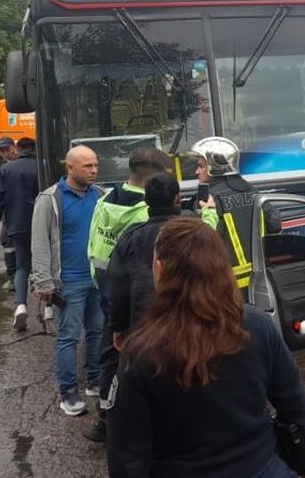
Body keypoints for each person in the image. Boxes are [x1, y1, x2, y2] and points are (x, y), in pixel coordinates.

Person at [106, 218, 305, 478]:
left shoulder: (141, 351)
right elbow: (295, 406)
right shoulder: (257, 325)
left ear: (160, 271)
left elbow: (126, 455)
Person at [86, 172, 213, 443]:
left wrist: (117, 328)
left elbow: (116, 285)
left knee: (121, 367)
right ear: (178, 198)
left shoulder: (131, 237)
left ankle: (108, 420)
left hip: (142, 324)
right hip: (189, 321)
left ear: (146, 201)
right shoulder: (193, 231)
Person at [31, 145, 105, 416]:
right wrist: (44, 282)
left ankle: (95, 379)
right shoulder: (50, 199)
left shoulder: (100, 195)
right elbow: (39, 242)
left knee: (97, 331)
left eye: (96, 165)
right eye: (88, 166)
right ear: (70, 168)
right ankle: (68, 391)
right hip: (68, 282)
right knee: (69, 337)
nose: (94, 170)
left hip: (97, 278)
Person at [190, 137, 281, 292]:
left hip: (226, 285)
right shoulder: (254, 192)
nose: (196, 171)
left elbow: (203, 242)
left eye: (200, 166)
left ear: (214, 166)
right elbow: (275, 224)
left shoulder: (209, 200)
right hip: (260, 281)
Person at [87, 147, 173, 297]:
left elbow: (92, 244)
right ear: (152, 180)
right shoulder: (148, 212)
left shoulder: (103, 201)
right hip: (138, 294)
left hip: (105, 285)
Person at [0, 137, 39, 330]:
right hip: (44, 225)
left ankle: (21, 306)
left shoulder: (5, 170)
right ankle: (48, 307)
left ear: (17, 149)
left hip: (17, 225)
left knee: (22, 267)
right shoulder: (43, 167)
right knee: (47, 264)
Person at [0, 137, 18, 292]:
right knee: (8, 243)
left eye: (7, 149)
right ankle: (13, 276)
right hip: (9, 211)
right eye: (2, 150)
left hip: (30, 208)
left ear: (14, 147)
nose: (6, 153)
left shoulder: (26, 163)